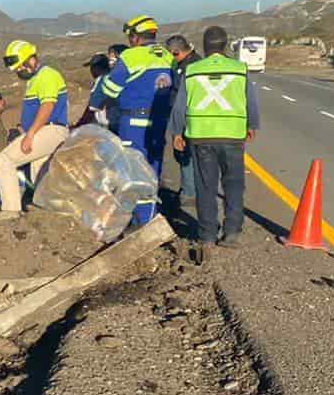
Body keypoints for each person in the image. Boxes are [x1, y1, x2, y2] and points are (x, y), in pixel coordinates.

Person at [170, 24, 261, 262]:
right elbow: (249, 100)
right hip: (232, 134)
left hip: (201, 136)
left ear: (204, 46)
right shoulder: (239, 69)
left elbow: (180, 105)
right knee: (233, 185)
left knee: (206, 187)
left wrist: (177, 133)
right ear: (224, 44)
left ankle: (207, 234)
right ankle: (231, 232)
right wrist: (252, 124)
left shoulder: (192, 70)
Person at [96, 14, 174, 226]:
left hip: (134, 122)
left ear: (136, 36)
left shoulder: (131, 57)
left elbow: (110, 89)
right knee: (153, 168)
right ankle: (151, 215)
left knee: (133, 171)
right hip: (159, 121)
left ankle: (140, 221)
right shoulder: (167, 55)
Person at [0, 39, 69, 222]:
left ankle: (10, 211)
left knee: (5, 160)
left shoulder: (46, 75)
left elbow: (47, 106)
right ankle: (49, 208)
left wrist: (30, 134)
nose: (19, 72)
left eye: (20, 68)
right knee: (38, 168)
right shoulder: (35, 79)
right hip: (46, 130)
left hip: (49, 129)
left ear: (30, 61)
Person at [165, 35, 199, 215]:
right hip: (191, 117)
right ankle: (190, 189)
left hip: (187, 117)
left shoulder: (189, 67)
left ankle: (189, 192)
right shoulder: (189, 63)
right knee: (187, 156)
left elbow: (181, 98)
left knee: (185, 154)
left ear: (177, 52)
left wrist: (177, 128)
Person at [74, 53, 114, 128]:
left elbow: (92, 107)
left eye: (92, 67)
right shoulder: (113, 77)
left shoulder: (102, 80)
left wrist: (79, 125)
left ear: (97, 68)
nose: (91, 70)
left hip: (109, 126)